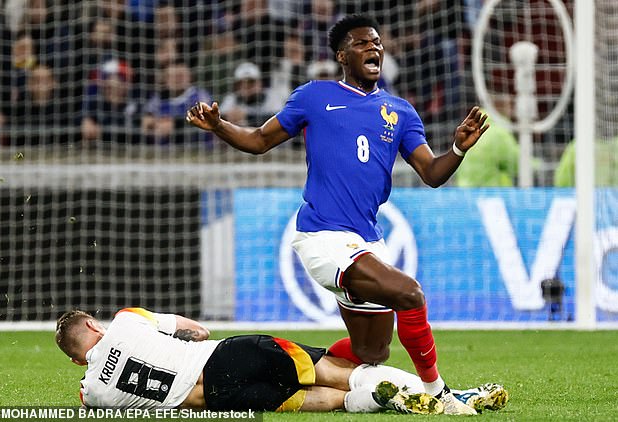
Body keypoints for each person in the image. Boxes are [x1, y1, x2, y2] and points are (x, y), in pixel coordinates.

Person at [186, 14, 490, 415]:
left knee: (371, 352)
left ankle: (282, 370)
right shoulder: (315, 96)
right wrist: (220, 125)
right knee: (409, 294)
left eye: (377, 42)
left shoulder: (399, 111)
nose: (374, 48)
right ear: (342, 55)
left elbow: (432, 174)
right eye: (363, 43)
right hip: (323, 236)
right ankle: (441, 394)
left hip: (368, 240)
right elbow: (260, 140)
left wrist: (458, 150)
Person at [56, 307, 509, 413]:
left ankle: (387, 400)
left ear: (79, 361)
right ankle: (442, 396)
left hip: (220, 400)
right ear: (94, 327)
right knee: (337, 369)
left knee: (328, 400)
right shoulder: (124, 321)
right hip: (227, 355)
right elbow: (199, 332)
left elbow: (88, 398)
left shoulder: (92, 391)